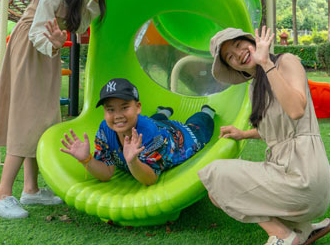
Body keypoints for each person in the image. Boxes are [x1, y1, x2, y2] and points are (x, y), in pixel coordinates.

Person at [0, 0, 116, 219]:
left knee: (42, 117)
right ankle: (1, 194)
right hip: (31, 47)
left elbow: (81, 27)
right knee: (28, 117)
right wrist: (54, 45)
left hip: (48, 51)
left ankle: (31, 190)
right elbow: (36, 31)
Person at [198, 26, 330, 245]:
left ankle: (283, 237)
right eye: (230, 56)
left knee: (215, 173)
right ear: (233, 67)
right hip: (287, 173)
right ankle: (300, 228)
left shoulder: (285, 62)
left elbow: (296, 110)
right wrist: (243, 134)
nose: (238, 54)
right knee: (216, 192)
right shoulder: (255, 86)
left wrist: (266, 63)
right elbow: (276, 131)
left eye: (238, 45)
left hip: (304, 175)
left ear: (252, 41)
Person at [59, 78, 215, 186]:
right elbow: (106, 174)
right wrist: (87, 159)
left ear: (138, 107)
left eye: (124, 107)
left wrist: (133, 161)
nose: (117, 115)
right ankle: (163, 112)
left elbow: (150, 179)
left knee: (198, 128)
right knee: (148, 121)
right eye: (110, 109)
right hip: (152, 125)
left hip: (177, 136)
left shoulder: (152, 135)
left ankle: (206, 112)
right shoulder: (105, 130)